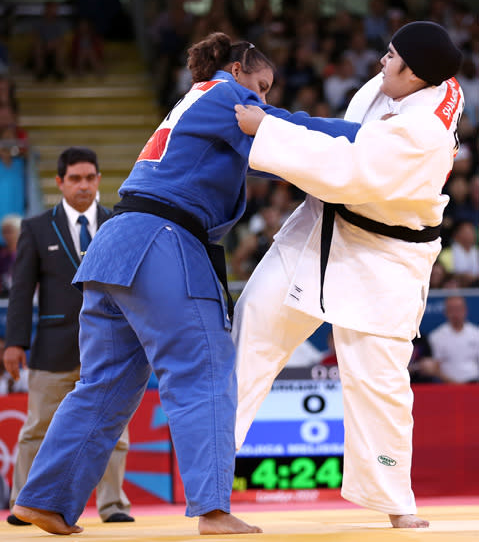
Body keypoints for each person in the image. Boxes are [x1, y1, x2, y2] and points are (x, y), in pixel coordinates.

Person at [10, 32, 360, 536]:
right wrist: (371, 135)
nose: (262, 100)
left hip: (115, 247)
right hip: (163, 244)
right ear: (238, 69)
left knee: (102, 386)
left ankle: (43, 500)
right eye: (260, 86)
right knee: (205, 371)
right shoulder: (224, 94)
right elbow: (293, 130)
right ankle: (214, 510)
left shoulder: (189, 102)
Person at [232, 21, 464, 528]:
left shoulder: (424, 129)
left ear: (416, 74)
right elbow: (344, 134)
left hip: (384, 256)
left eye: (391, 56)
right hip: (321, 229)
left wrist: (268, 129)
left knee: (378, 379)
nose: (381, 60)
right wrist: (280, 121)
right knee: (251, 329)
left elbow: (349, 168)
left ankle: (395, 502)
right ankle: (208, 471)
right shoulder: (404, 83)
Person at [3, 147, 134, 527]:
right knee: (37, 427)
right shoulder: (37, 227)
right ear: (60, 182)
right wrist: (15, 342)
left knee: (113, 428)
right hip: (53, 344)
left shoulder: (117, 223)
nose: (83, 185)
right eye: (75, 178)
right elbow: (21, 290)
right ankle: (22, 502)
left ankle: (113, 504)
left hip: (110, 345)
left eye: (90, 177)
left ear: (99, 180)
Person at [428, 295, 479, 383]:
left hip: (474, 384)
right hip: (447, 385)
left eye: (458, 309)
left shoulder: (476, 333)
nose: (455, 313)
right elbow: (434, 366)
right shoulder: (436, 336)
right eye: (452, 309)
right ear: (446, 312)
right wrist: (453, 383)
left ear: (465, 310)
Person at [0, 213, 22, 297]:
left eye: (10, 231)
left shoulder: (30, 254)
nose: (7, 235)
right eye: (4, 231)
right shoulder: (2, 255)